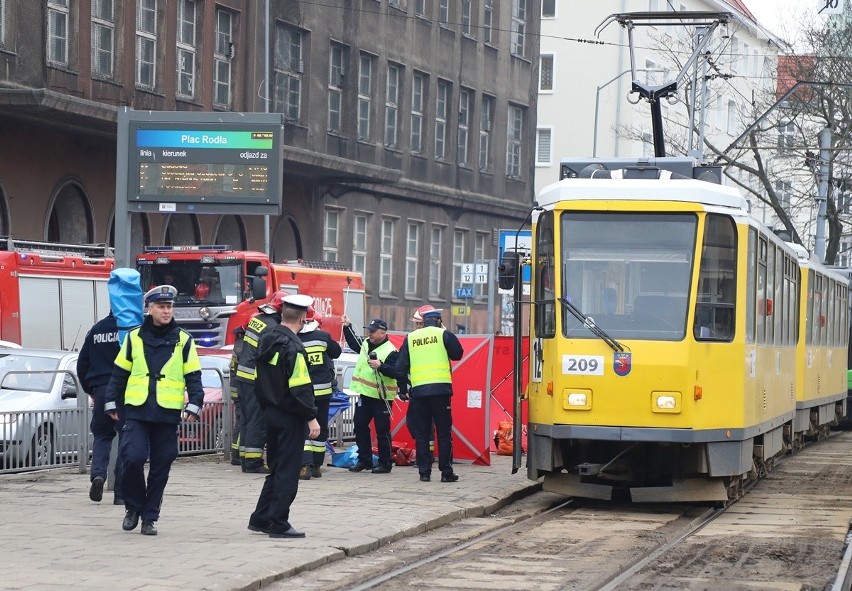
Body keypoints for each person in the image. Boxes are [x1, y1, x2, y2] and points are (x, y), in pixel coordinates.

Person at [104, 285, 204, 536]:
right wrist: (111, 402)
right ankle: (133, 507)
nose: (166, 311)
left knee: (162, 464)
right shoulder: (134, 337)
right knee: (132, 459)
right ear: (149, 309)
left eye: (169, 307)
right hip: (136, 409)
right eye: (161, 307)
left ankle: (150, 516)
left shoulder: (183, 340)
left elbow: (194, 377)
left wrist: (195, 404)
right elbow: (119, 374)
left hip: (167, 412)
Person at [248, 294, 320, 539]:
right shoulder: (294, 347)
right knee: (288, 470)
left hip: (270, 413)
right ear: (303, 318)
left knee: (276, 468)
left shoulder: (266, 339)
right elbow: (300, 386)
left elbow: (259, 381)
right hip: (290, 416)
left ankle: (260, 518)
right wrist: (311, 416)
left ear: (281, 314)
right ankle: (278, 522)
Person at [77, 268, 143, 505]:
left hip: (102, 390)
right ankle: (122, 494)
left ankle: (98, 475)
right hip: (127, 390)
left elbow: (82, 364)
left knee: (103, 436)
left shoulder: (96, 330)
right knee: (127, 439)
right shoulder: (134, 330)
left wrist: (91, 390)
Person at [396, 308, 463, 483]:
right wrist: (446, 332)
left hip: (419, 392)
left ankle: (424, 472)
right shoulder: (443, 334)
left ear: (424, 322)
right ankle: (446, 472)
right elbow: (458, 354)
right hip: (441, 392)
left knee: (422, 434)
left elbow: (400, 367)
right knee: (443, 432)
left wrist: (402, 390)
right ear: (438, 320)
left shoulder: (411, 338)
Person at [234, 290, 289, 473]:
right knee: (257, 420)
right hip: (254, 378)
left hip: (242, 376)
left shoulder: (258, 319)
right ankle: (253, 462)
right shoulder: (272, 326)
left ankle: (243, 457)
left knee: (247, 419)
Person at [341, 315, 404, 474]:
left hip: (381, 397)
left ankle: (385, 463)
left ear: (382, 333)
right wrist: (347, 327)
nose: (369, 334)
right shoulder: (366, 344)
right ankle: (365, 460)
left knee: (382, 431)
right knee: (360, 426)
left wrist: (380, 366)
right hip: (365, 395)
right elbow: (354, 343)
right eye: (369, 331)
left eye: (373, 331)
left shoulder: (391, 351)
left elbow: (397, 373)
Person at [297, 305, 342, 479]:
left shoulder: (294, 337)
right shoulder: (322, 337)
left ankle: (304, 465)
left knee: (303, 427)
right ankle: (316, 465)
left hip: (303, 392)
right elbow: (336, 352)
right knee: (321, 427)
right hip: (322, 392)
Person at [228, 326, 246, 466]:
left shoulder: (237, 345)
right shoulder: (242, 346)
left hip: (236, 388)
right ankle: (236, 455)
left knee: (240, 421)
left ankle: (236, 453)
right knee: (241, 422)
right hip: (240, 390)